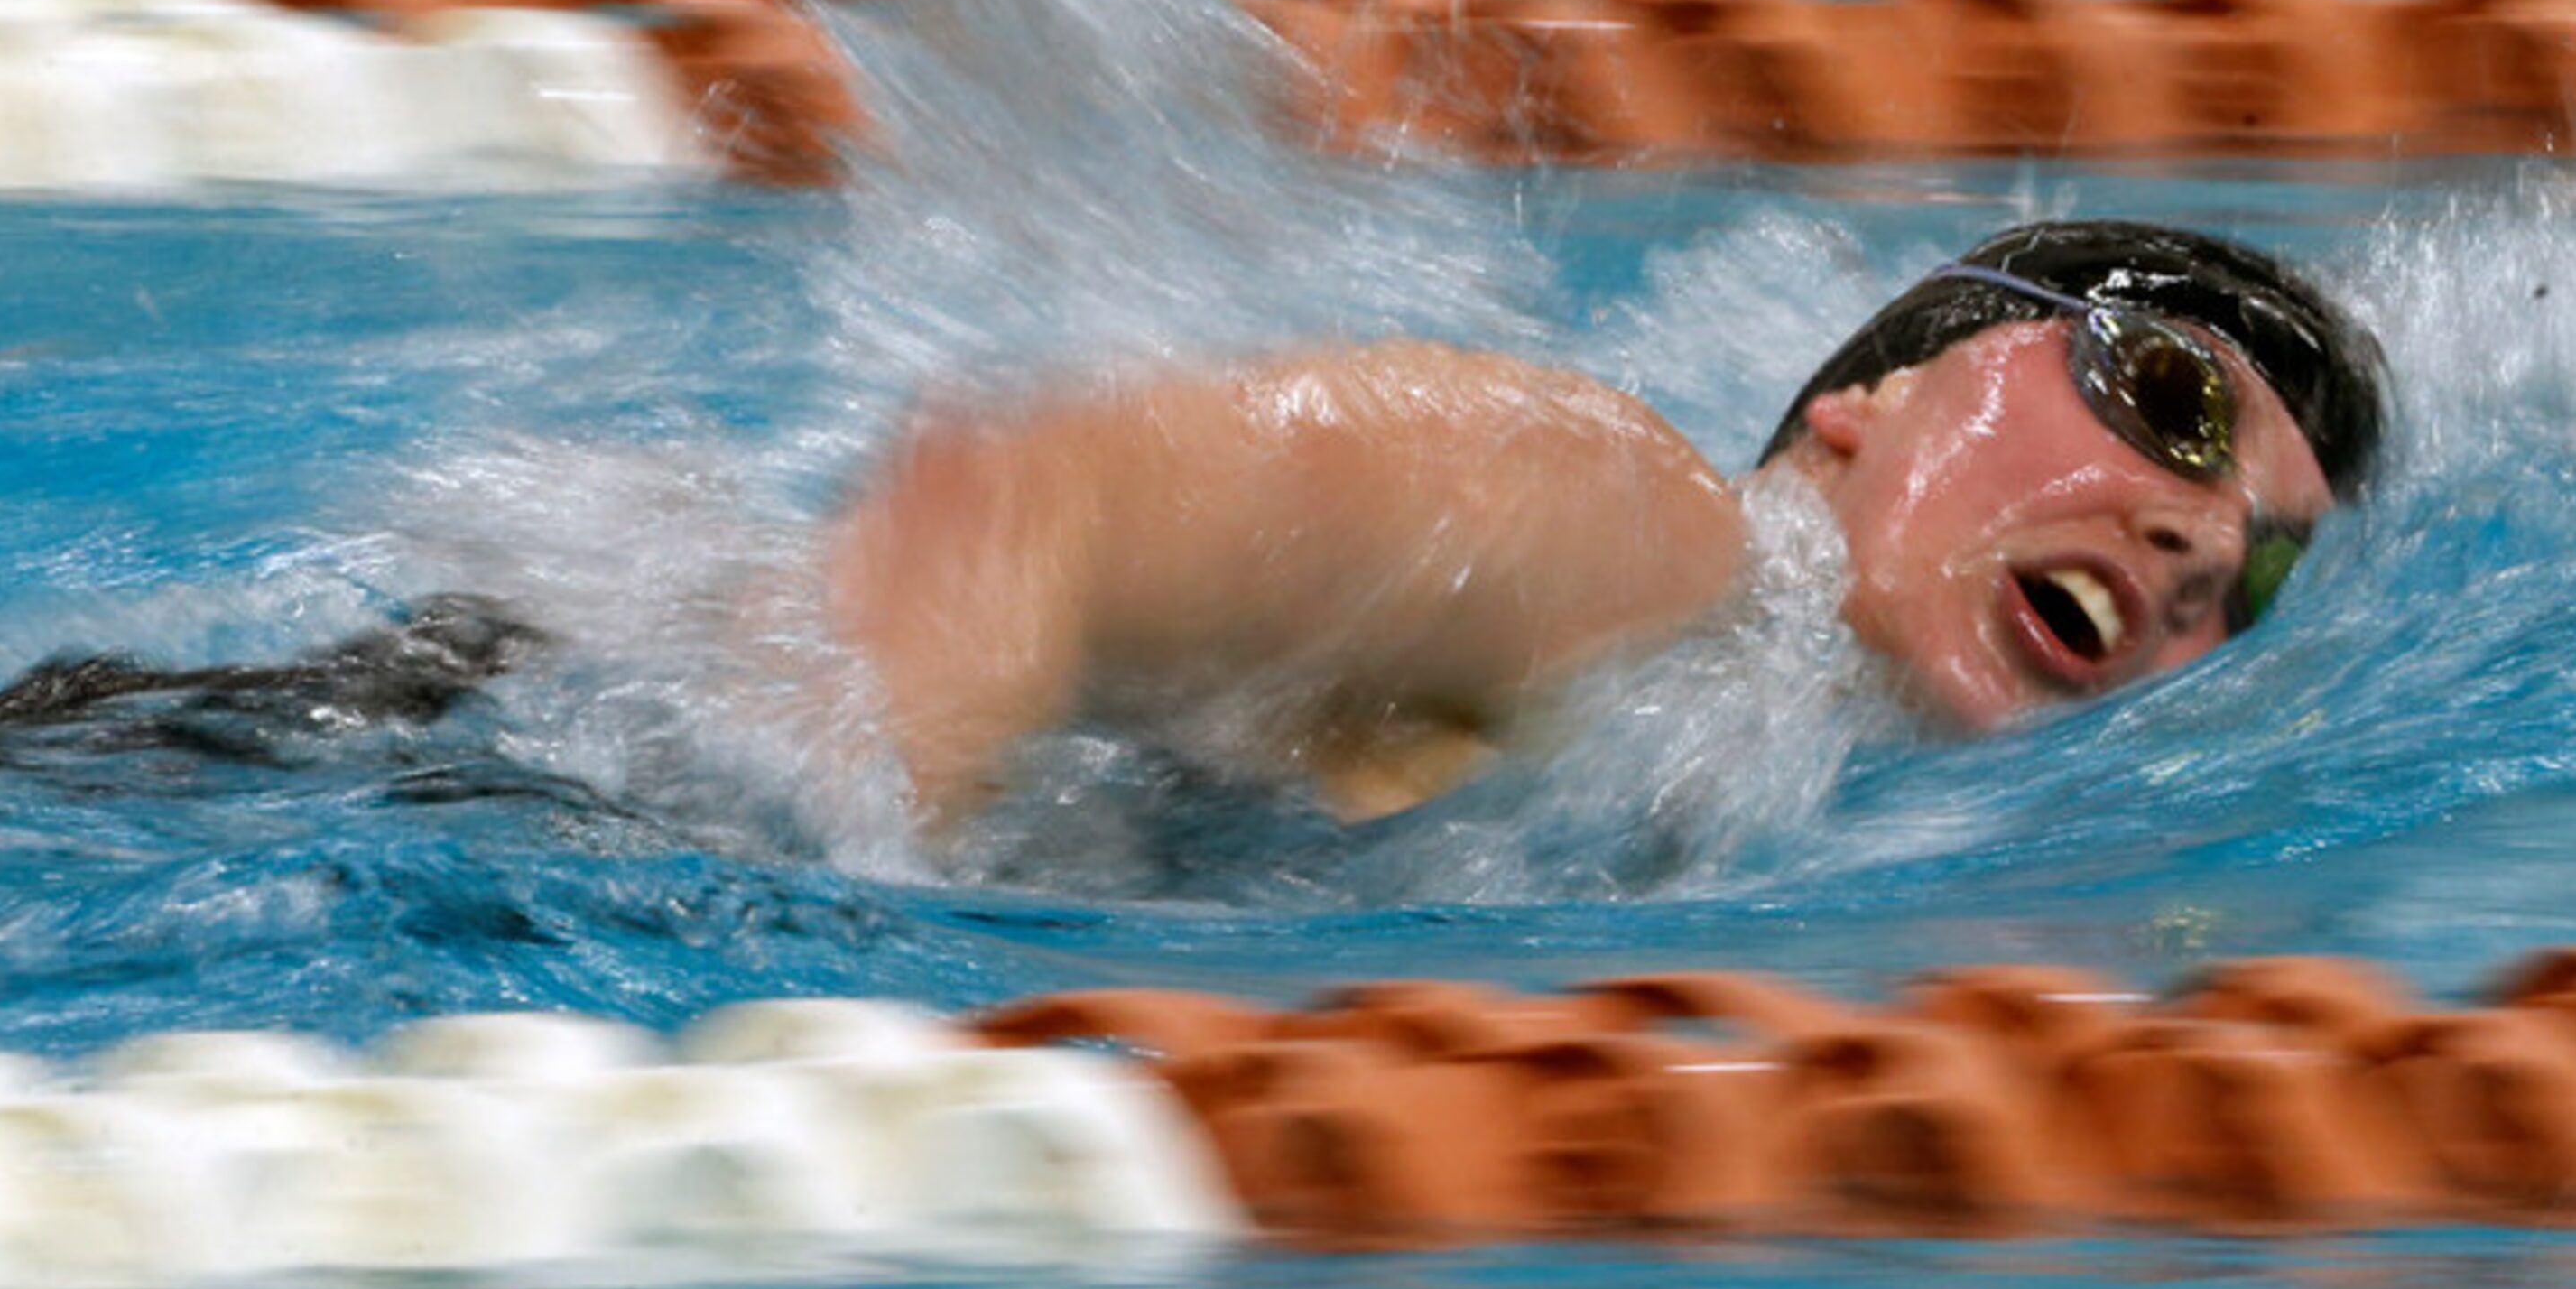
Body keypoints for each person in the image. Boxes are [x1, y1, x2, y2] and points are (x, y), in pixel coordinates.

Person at [823, 218, 2387, 833]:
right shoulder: (1641, 526)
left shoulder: (1766, 781)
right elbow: (1021, 505)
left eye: (2257, 569)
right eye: (2173, 401)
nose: (2196, 540)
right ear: (1878, 393)